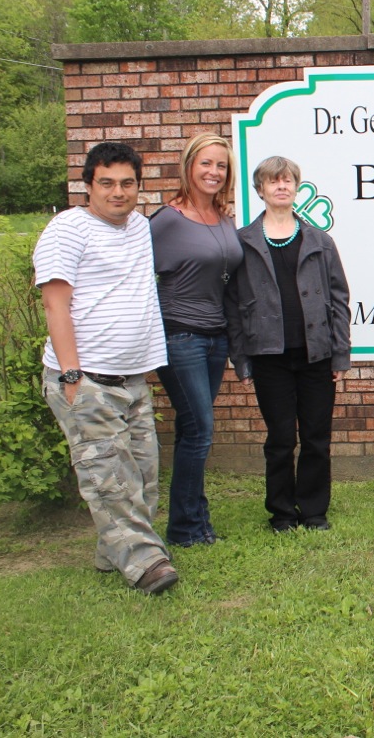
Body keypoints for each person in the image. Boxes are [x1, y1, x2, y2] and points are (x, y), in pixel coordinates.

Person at [35, 142, 178, 595]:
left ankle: (112, 552)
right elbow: (55, 305)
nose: (118, 192)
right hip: (86, 378)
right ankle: (145, 565)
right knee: (109, 477)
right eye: (107, 183)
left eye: (127, 183)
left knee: (140, 474)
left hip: (131, 376)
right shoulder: (67, 231)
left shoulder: (138, 226)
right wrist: (72, 375)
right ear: (88, 184)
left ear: (138, 186)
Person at [225, 156, 351, 533]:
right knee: (280, 438)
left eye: (287, 180)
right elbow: (232, 305)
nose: (281, 186)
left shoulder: (319, 241)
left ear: (296, 188)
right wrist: (241, 360)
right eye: (272, 181)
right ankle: (281, 512)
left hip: (316, 354)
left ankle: (314, 511)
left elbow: (339, 298)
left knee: (316, 437)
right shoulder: (242, 242)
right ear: (260, 189)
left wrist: (340, 355)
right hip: (269, 358)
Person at [151, 133, 243, 548]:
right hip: (180, 336)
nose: (214, 172)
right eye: (206, 163)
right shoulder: (167, 220)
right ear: (189, 166)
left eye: (221, 166)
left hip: (214, 338)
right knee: (200, 429)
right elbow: (132, 277)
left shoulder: (223, 218)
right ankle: (186, 528)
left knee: (194, 430)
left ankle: (196, 521)